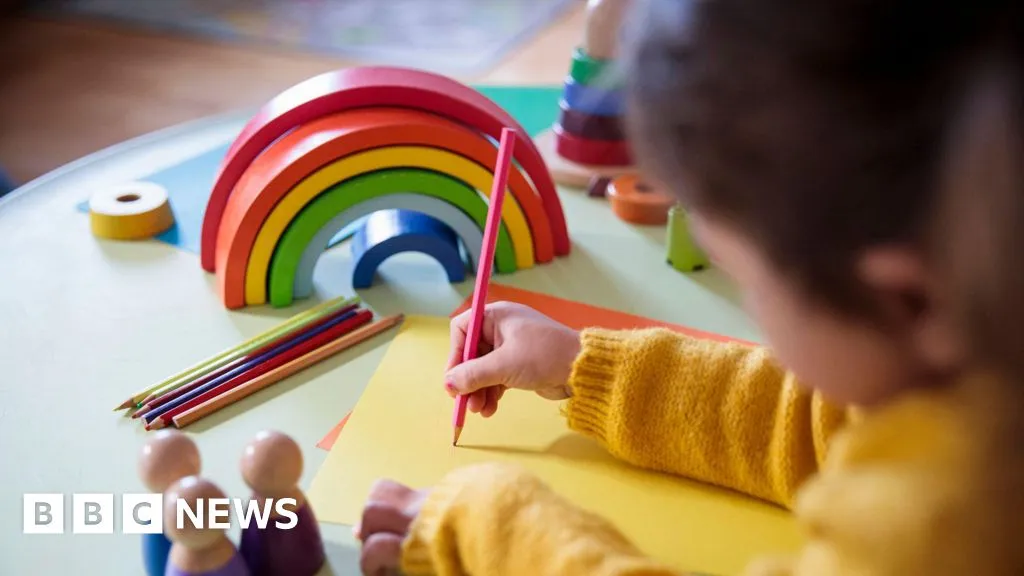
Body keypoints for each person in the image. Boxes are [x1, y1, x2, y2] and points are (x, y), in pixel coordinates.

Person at [356, 0, 1024, 574]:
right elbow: (822, 427)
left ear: (908, 298)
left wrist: (491, 526)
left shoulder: (943, 528)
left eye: (747, 280)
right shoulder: (969, 369)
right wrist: (584, 369)